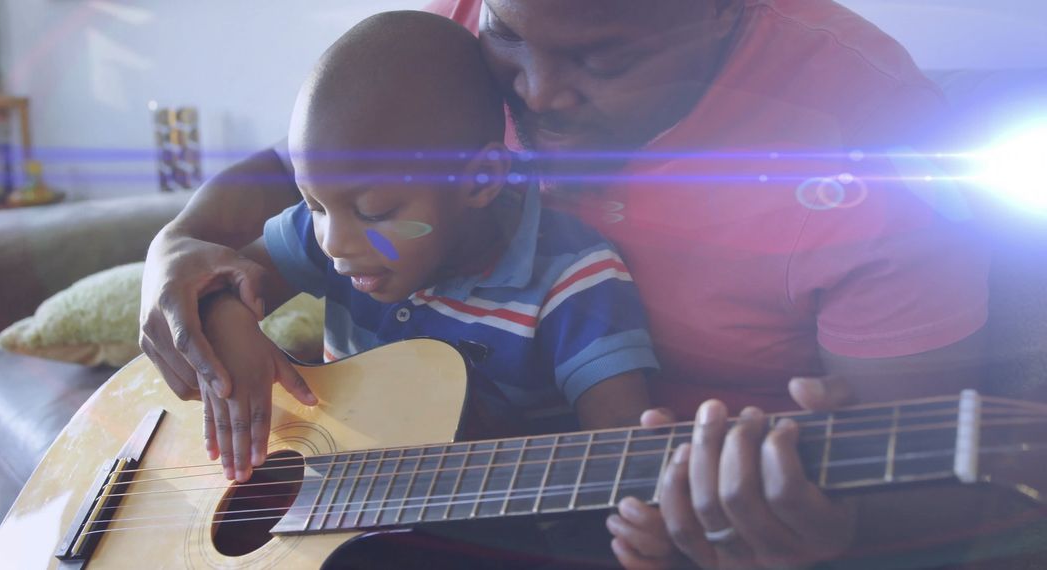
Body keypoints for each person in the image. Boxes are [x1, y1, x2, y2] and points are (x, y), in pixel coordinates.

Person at [140, 1, 997, 568]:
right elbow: (320, 157)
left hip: (619, 496)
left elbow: (929, 479)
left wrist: (831, 528)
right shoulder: (461, 29)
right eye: (507, 39)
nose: (534, 95)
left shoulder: (880, 138)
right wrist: (182, 249)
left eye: (603, 58)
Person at [192, 10, 657, 484]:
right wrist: (228, 322)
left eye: (375, 213)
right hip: (348, 503)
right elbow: (224, 286)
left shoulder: (574, 280)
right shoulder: (339, 230)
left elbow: (625, 452)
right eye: (313, 204)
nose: (333, 242)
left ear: (480, 180)